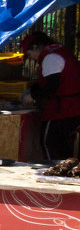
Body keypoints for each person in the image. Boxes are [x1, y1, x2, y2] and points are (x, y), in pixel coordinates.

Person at [19, 31, 80, 161]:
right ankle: (65, 171)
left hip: (62, 110)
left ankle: (55, 172)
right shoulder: (60, 50)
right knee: (63, 145)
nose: (32, 59)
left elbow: (51, 85)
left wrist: (33, 96)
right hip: (72, 107)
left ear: (36, 47)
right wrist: (32, 89)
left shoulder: (50, 57)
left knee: (50, 142)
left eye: (29, 54)